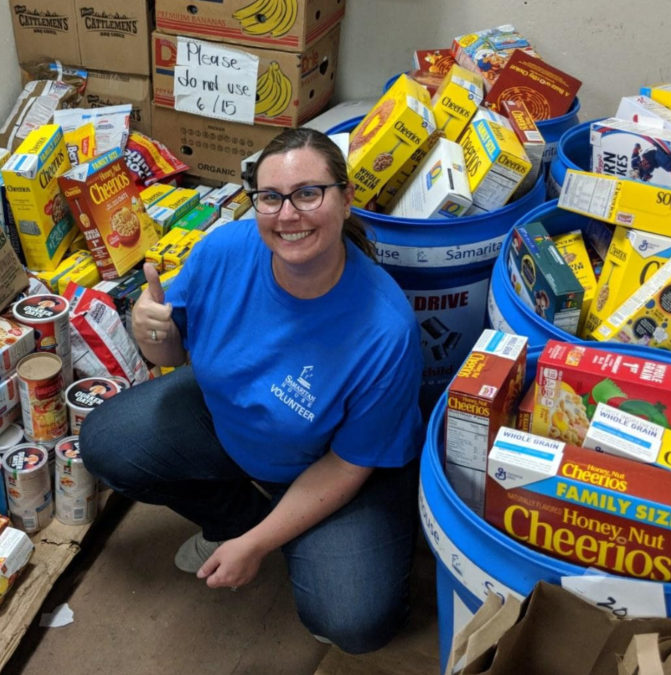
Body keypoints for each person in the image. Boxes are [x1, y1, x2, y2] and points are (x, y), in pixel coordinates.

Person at [80, 128, 424, 654]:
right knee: (108, 442)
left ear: (347, 199)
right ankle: (236, 517)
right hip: (233, 420)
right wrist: (153, 331)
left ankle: (291, 534)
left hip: (337, 466)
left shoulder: (384, 328)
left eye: (308, 193)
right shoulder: (223, 252)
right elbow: (173, 357)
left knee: (354, 620)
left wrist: (258, 546)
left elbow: (349, 464)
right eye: (270, 198)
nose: (288, 214)